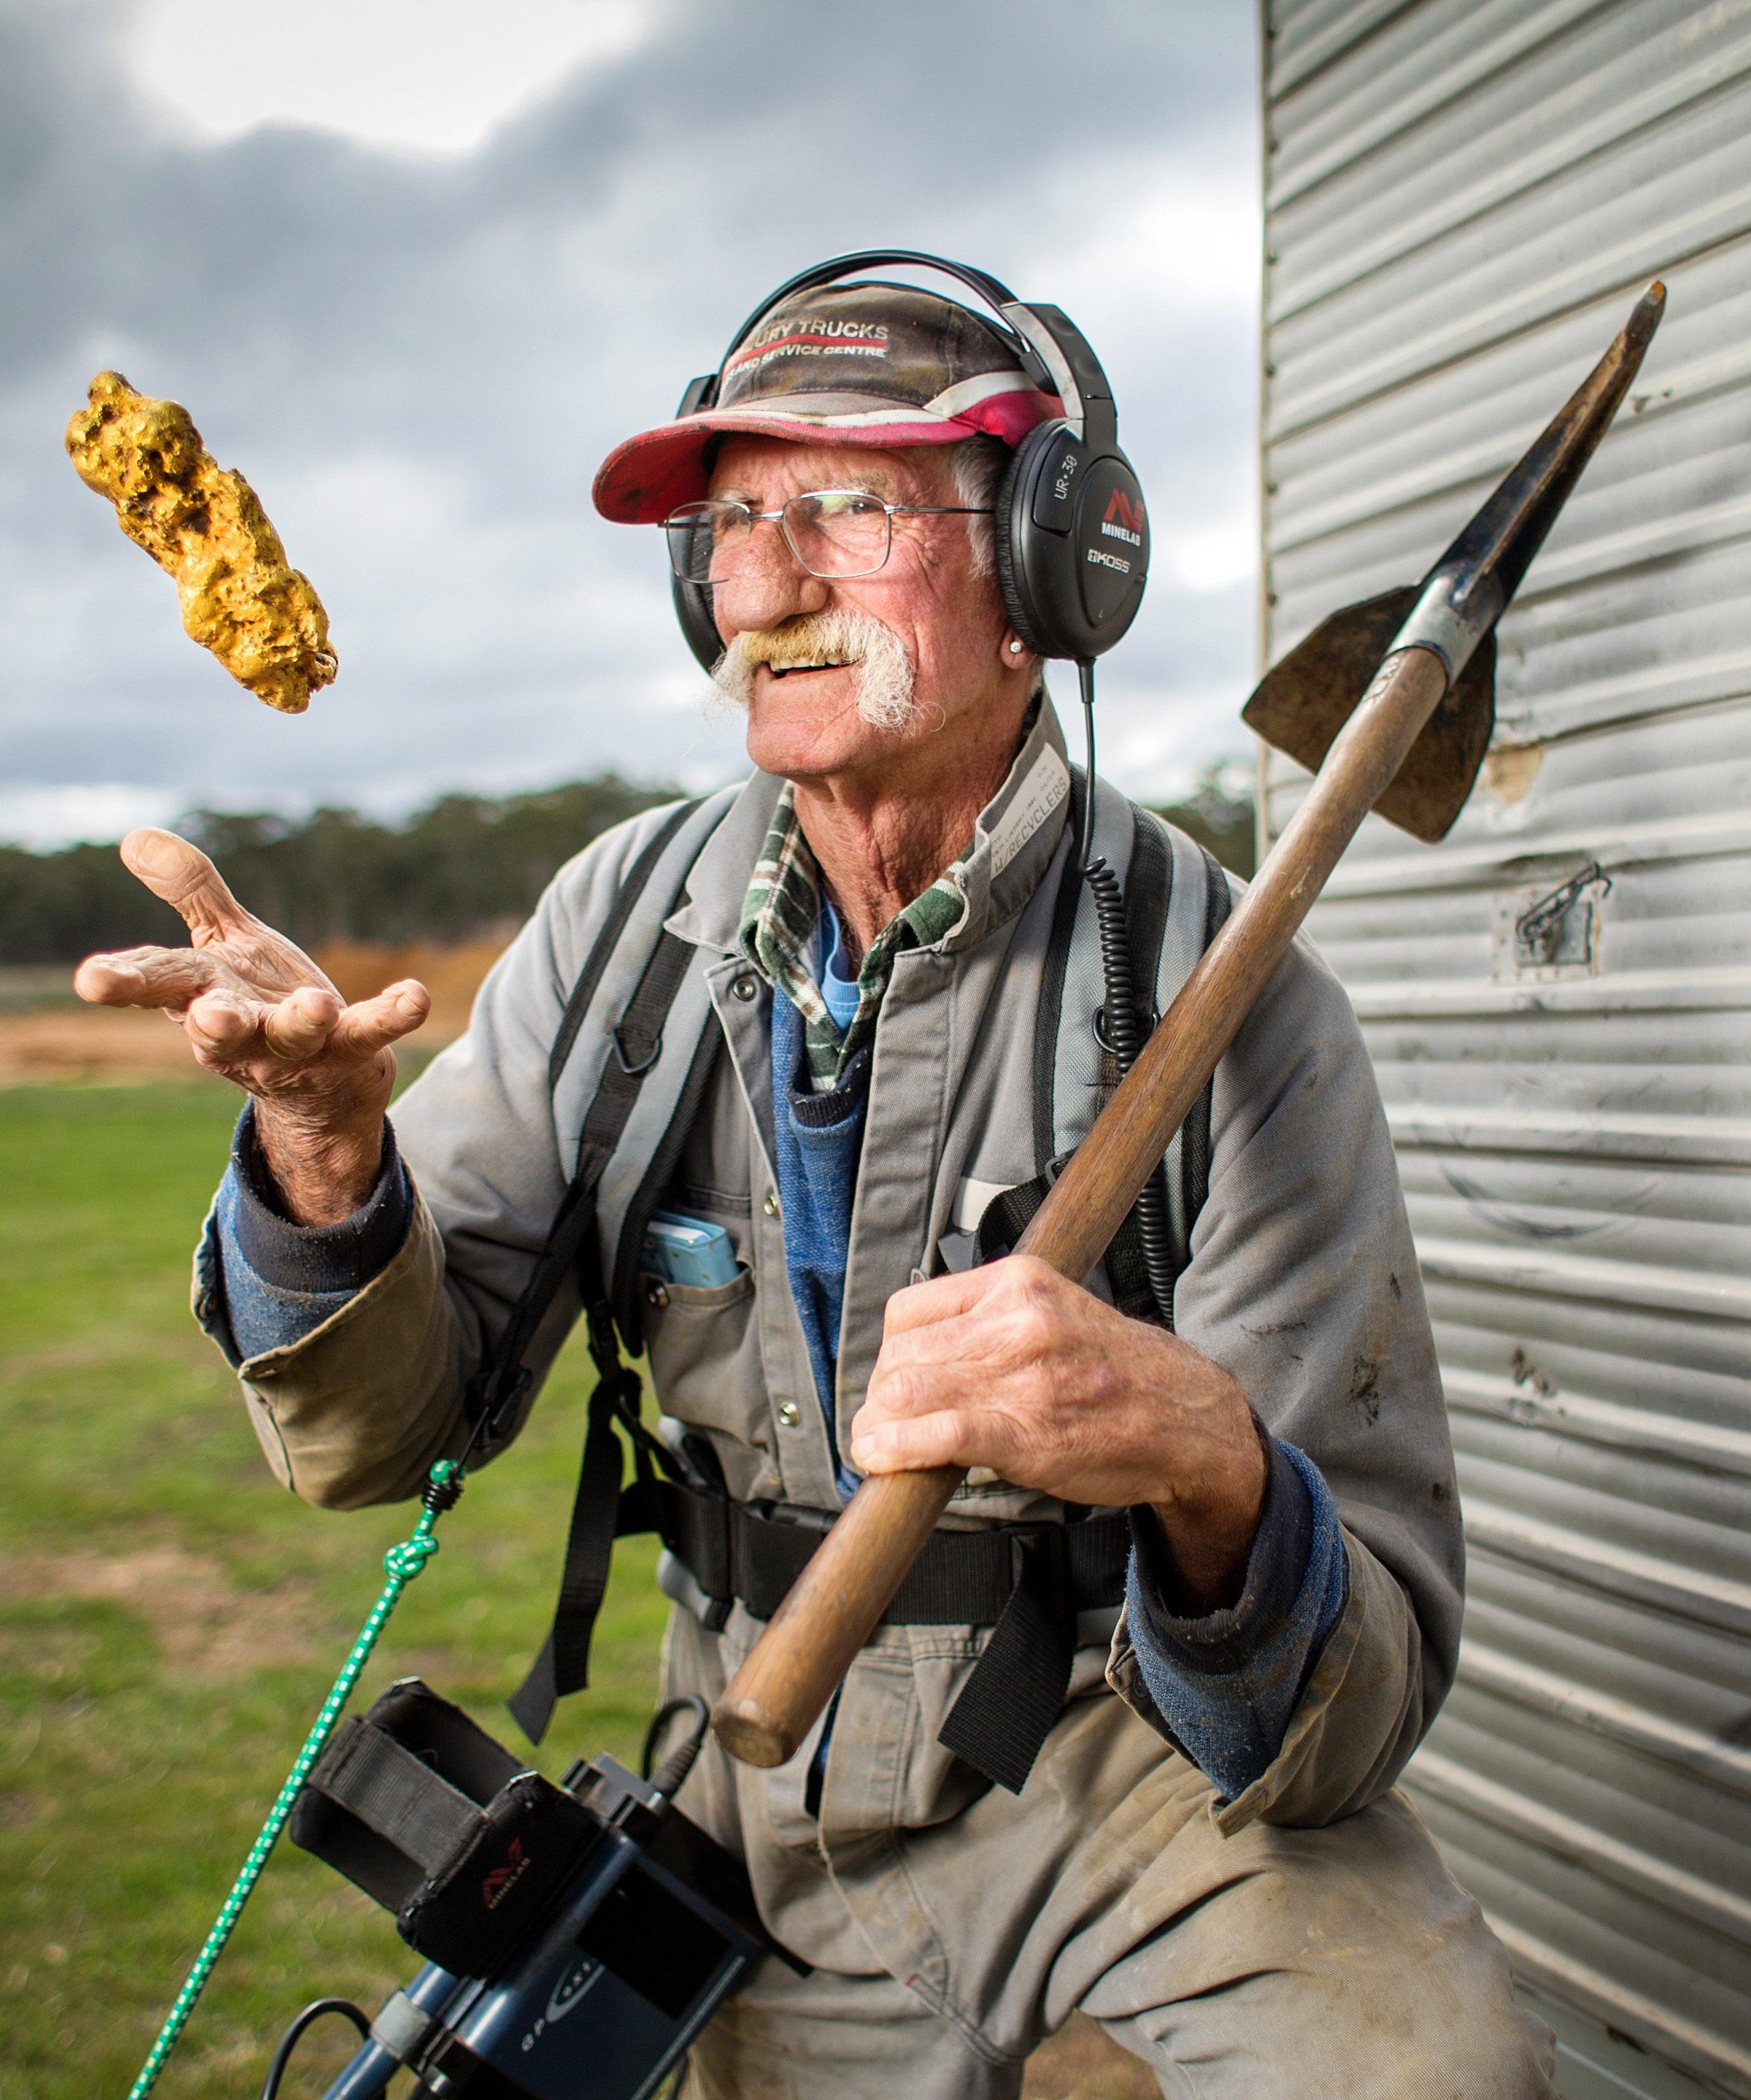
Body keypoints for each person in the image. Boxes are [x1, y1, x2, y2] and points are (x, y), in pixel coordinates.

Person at [76, 274, 1555, 2098]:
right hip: (747, 1768)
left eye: (846, 507)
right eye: (730, 523)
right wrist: (319, 1148)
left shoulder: (1234, 1000)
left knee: (1423, 2064)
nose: (765, 586)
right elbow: (374, 1438)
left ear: (1047, 567)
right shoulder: (621, 929)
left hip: (1118, 1778)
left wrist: (1208, 1459)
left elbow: (1350, 1708)